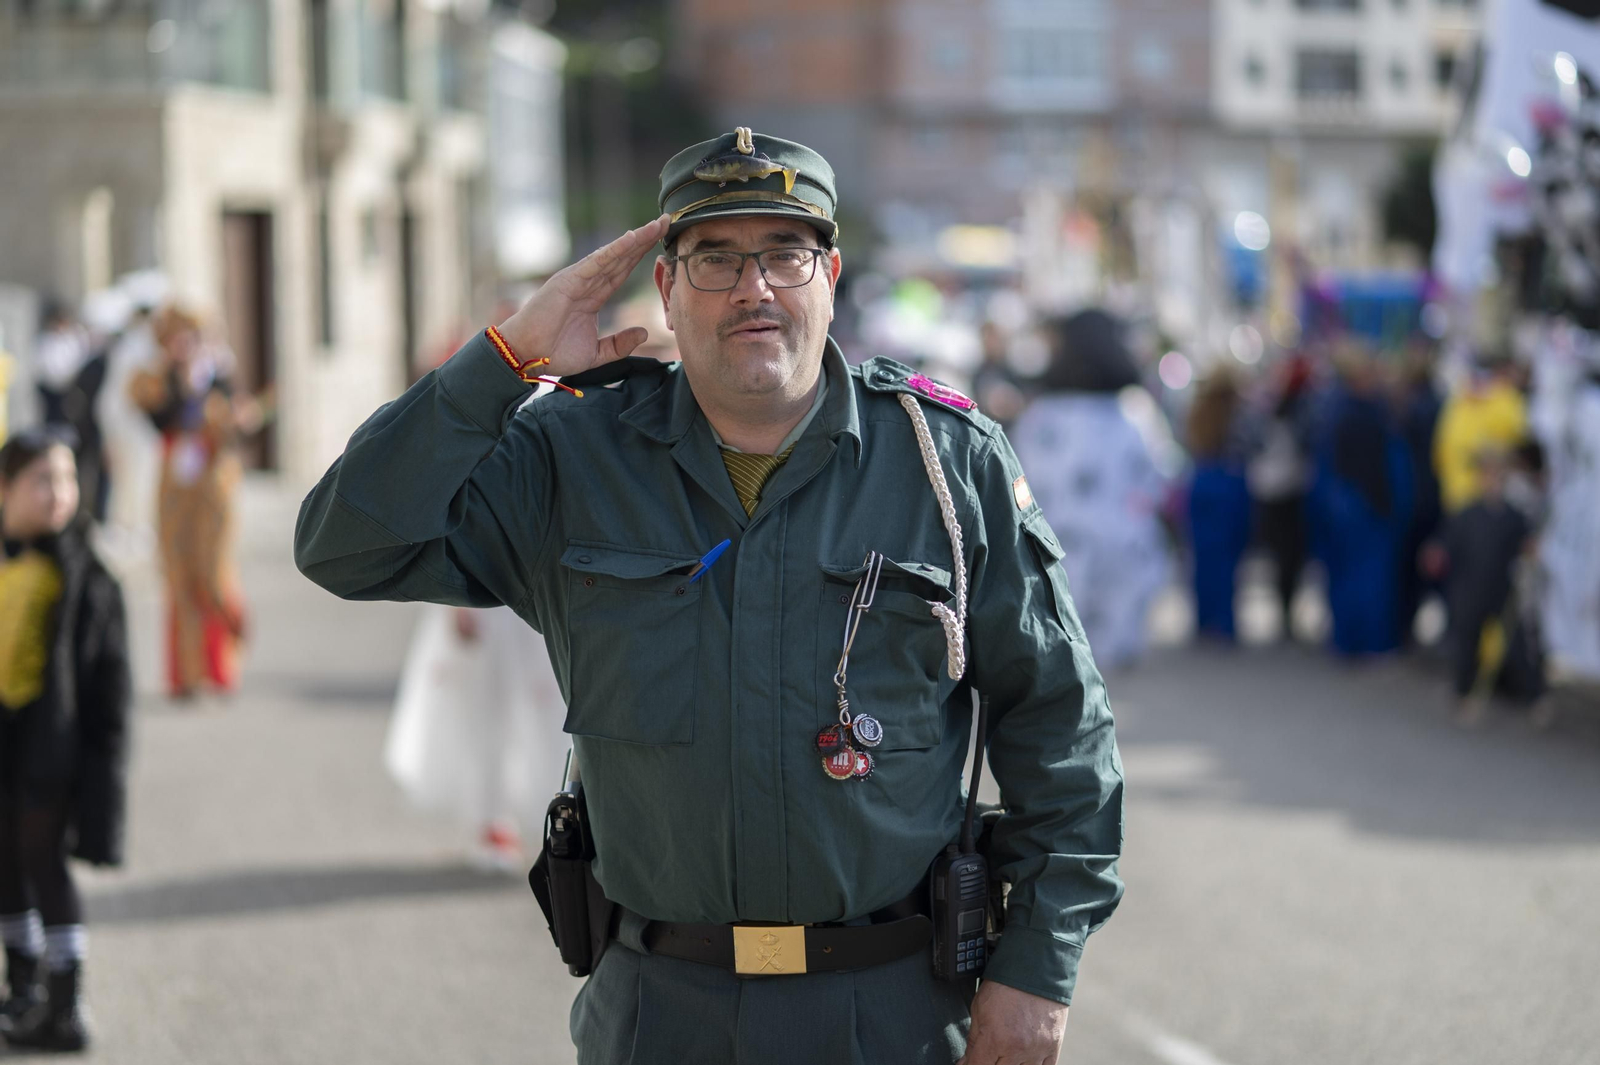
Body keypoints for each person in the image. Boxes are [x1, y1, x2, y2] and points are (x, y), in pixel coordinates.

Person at [296, 128, 1123, 1064]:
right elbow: (343, 546)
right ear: (666, 286)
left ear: (830, 275)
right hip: (659, 1013)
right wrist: (506, 359)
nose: (753, 287)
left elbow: (1060, 723)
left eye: (785, 253)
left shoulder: (946, 465)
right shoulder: (571, 457)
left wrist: (1037, 970)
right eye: (716, 258)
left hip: (891, 1013)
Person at [0, 428, 131, 1053]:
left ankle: (66, 1004)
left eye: (67, 479)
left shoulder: (87, 576)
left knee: (43, 861)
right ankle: (22, 987)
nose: (58, 494)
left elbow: (110, 691)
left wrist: (105, 776)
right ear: (4, 489)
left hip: (50, 746)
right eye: (41, 481)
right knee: (4, 863)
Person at [1011, 308, 1171, 669]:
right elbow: (1160, 476)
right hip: (1125, 550)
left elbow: (1019, 485)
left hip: (1056, 552)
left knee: (1067, 658)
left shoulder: (1040, 416)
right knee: (1110, 666)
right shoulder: (1134, 411)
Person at [385, 604, 569, 872]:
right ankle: (495, 821)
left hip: (537, 608)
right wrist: (455, 605)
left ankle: (545, 817)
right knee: (486, 715)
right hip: (487, 606)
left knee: (543, 713)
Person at [129, 306, 248, 701]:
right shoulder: (159, 379)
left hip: (213, 486)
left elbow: (237, 428)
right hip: (176, 488)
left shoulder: (219, 376)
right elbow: (158, 419)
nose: (183, 345)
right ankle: (186, 675)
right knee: (178, 574)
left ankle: (222, 662)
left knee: (214, 572)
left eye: (190, 337)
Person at [1312, 349, 1413, 657]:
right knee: (1368, 580)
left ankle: (1350, 641)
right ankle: (1367, 642)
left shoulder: (1337, 410)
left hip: (1349, 505)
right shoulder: (1363, 415)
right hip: (1364, 507)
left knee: (1351, 578)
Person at [1439, 448, 1540, 724]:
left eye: (1497, 475)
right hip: (1470, 588)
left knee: (1516, 643)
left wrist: (1531, 549)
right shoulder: (1467, 513)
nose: (1492, 480)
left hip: (1501, 590)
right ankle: (1463, 692)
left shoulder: (1513, 516)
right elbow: (1449, 544)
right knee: (1466, 643)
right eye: (1487, 474)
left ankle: (1533, 695)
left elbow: (1526, 544)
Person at [1247, 354, 1314, 641]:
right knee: (1286, 558)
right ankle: (1286, 615)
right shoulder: (1282, 410)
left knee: (1285, 559)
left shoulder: (1279, 409)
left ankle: (1286, 614)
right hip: (1283, 492)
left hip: (1279, 491)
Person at [1185, 370, 1253, 641]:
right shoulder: (1237, 415)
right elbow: (1253, 445)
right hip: (1228, 483)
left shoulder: (1197, 411)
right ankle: (1225, 623)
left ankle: (1204, 620)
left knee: (1203, 559)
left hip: (1202, 481)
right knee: (1227, 560)